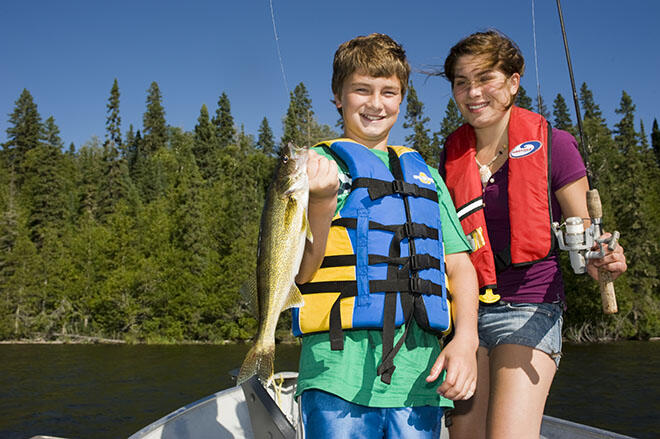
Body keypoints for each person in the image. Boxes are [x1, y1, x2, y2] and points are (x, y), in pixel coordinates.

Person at [437, 30, 628, 439]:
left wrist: (604, 258)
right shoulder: (450, 158)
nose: (473, 92)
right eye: (461, 82)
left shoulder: (555, 146)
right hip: (466, 316)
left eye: (485, 78)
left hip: (530, 307)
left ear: (513, 81)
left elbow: (589, 236)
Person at [291, 33, 479, 438]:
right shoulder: (314, 168)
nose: (375, 104)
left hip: (420, 377)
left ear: (401, 99)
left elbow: (460, 266)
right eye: (361, 90)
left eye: (388, 92)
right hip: (335, 372)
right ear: (338, 96)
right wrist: (322, 203)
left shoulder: (426, 176)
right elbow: (301, 274)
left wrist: (465, 340)